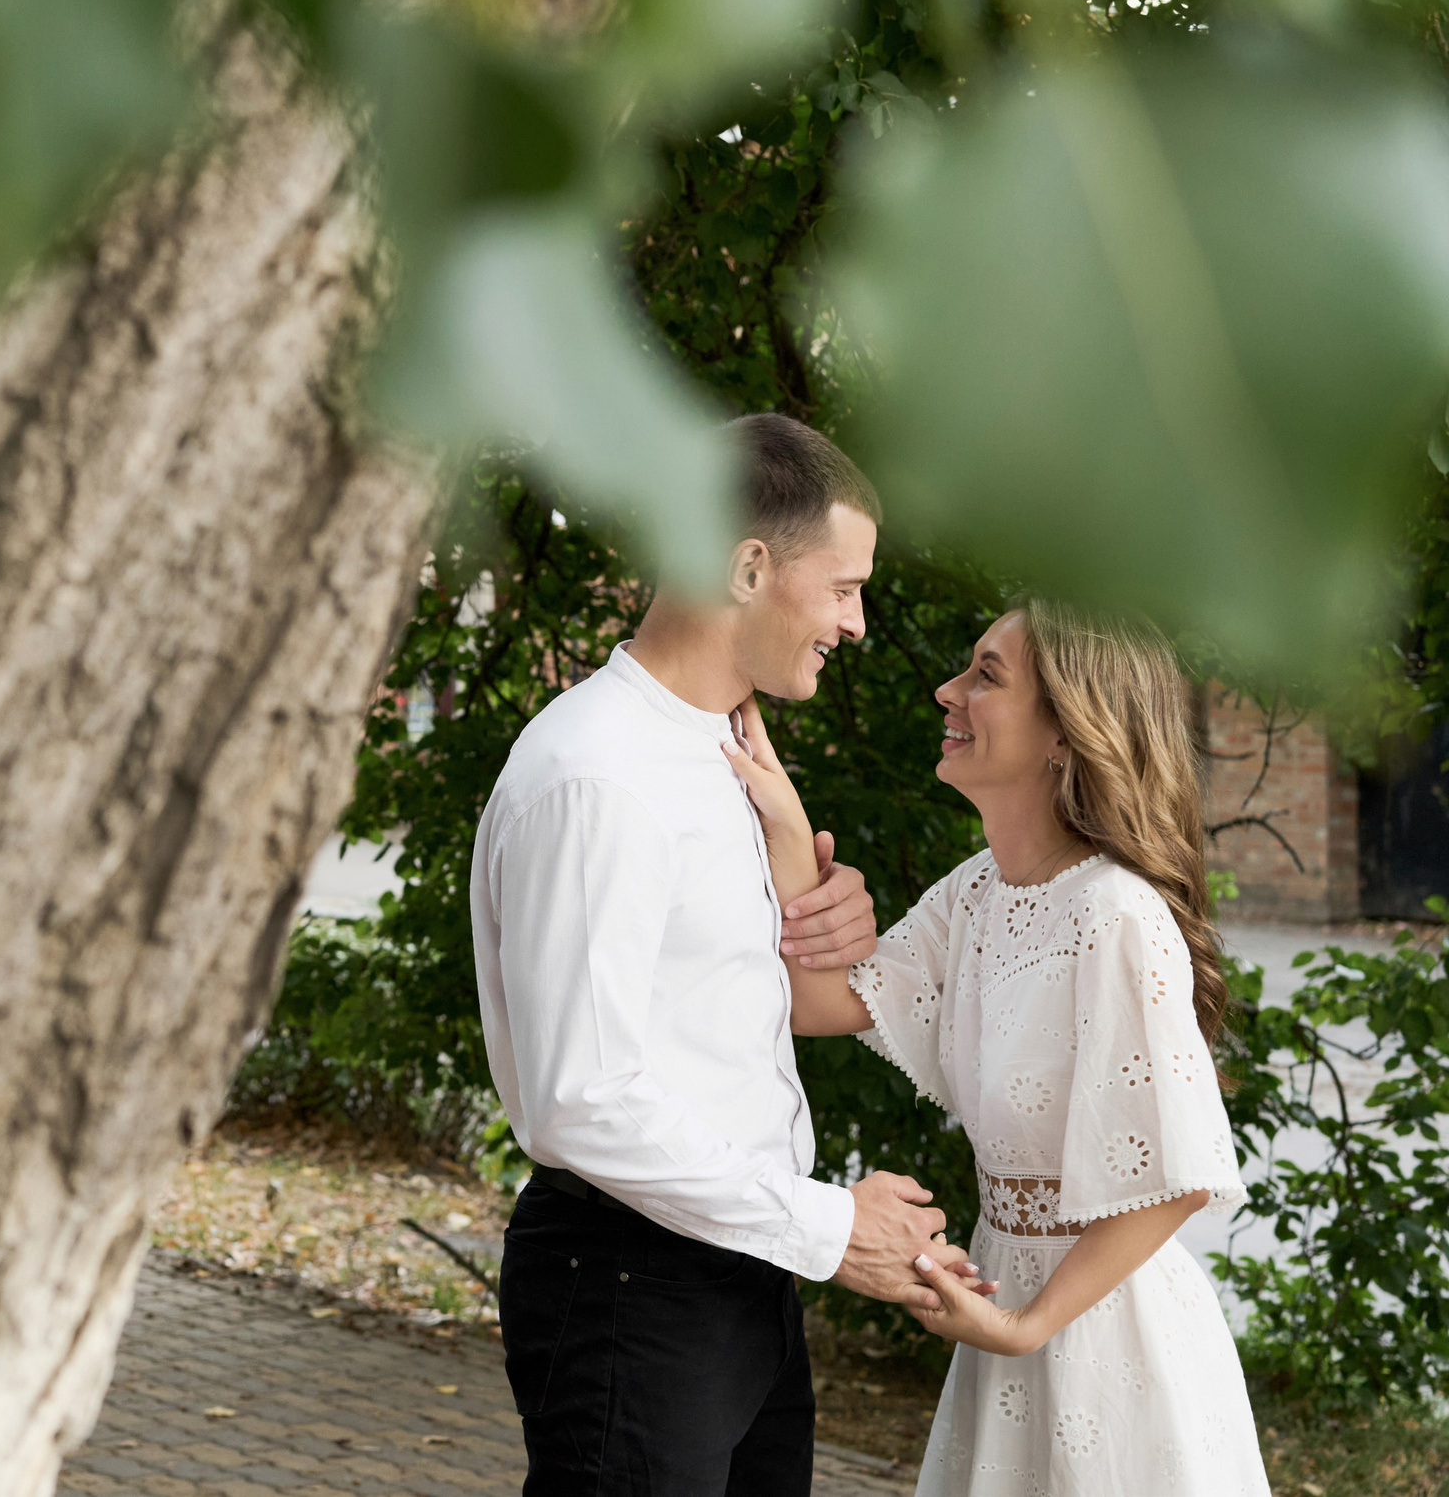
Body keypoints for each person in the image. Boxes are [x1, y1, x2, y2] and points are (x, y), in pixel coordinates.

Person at [475, 414, 989, 1496]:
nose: (855, 623)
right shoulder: (598, 775)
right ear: (748, 565)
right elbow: (583, 1097)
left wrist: (806, 885)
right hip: (632, 1281)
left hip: (738, 1273)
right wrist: (828, 1225)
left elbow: (719, 1006)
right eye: (842, 586)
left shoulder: (722, 756)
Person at [728, 600, 1271, 1493]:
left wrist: (1026, 1323)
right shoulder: (978, 892)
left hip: (1109, 1333)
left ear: (1067, 730)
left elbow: (1180, 1173)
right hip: (1004, 1311)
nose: (948, 691)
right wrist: (789, 828)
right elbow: (819, 998)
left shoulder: (1115, 911)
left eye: (987, 675)